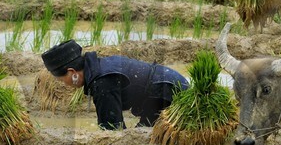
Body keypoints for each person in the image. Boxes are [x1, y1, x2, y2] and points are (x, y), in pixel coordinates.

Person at [40, 40, 188, 131]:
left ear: (72, 72)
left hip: (167, 91)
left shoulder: (101, 82)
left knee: (145, 140)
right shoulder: (99, 68)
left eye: (61, 80)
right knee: (143, 135)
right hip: (169, 83)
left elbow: (112, 130)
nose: (64, 84)